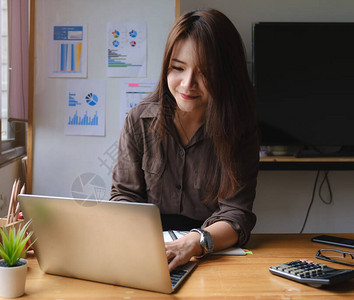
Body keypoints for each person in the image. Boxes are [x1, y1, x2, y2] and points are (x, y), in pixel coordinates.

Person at [110, 9, 259, 272]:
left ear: (227, 74)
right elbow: (124, 195)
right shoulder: (138, 120)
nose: (187, 84)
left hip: (211, 254)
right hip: (149, 251)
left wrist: (195, 241)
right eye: (178, 68)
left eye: (204, 73)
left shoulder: (240, 130)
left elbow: (237, 214)